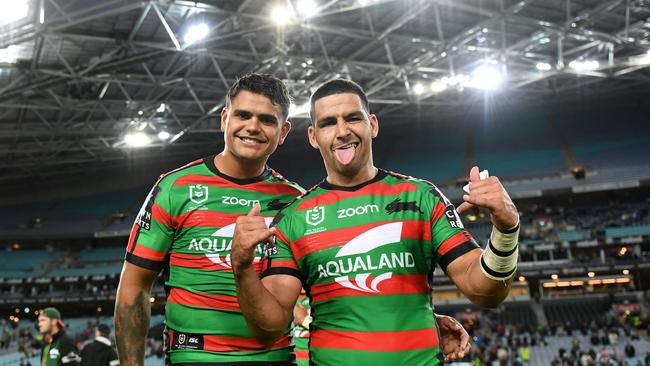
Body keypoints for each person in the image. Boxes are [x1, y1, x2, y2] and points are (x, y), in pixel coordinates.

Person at [114, 73, 470, 366]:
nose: (253, 127)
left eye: (267, 120)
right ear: (224, 119)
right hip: (196, 355)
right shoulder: (175, 188)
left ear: (283, 132)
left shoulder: (298, 203)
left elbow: (332, 283)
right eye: (243, 115)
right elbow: (134, 286)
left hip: (276, 358)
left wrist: (416, 320)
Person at [231, 78, 519, 365]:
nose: (343, 131)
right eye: (329, 122)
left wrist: (506, 229)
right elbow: (269, 328)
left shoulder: (422, 198)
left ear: (373, 124)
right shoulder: (293, 220)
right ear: (313, 136)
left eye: (352, 118)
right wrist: (242, 266)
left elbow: (484, 291)